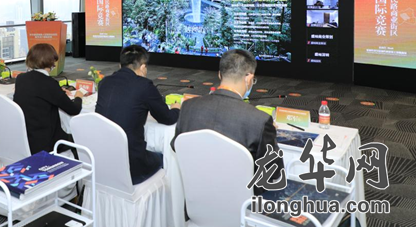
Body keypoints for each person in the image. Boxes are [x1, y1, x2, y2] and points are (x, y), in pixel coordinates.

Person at [171, 49, 283, 195]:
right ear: (249, 78)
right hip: (244, 204)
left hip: (197, 200)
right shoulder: (260, 120)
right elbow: (274, 172)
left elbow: (176, 146)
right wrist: (269, 132)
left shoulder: (188, 107)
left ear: (219, 74)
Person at [96, 45, 180, 185]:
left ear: (120, 65)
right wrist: (176, 109)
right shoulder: (144, 85)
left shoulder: (104, 83)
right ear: (143, 67)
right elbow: (167, 118)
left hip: (103, 162)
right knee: (164, 157)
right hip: (132, 167)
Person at [14, 43, 84, 155]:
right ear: (51, 62)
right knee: (80, 138)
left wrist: (58, 91)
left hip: (27, 137)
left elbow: (38, 93)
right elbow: (74, 110)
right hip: (48, 143)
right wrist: (78, 96)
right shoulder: (49, 83)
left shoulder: (21, 78)